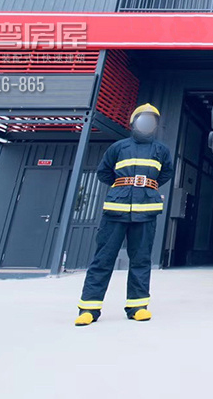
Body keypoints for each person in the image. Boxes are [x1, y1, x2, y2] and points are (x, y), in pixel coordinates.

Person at [74, 103, 174, 326]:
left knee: (141, 260)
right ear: (133, 122)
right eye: (143, 119)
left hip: (146, 213)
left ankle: (138, 307)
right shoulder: (118, 147)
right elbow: (104, 173)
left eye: (151, 120)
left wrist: (146, 188)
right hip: (116, 211)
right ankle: (89, 308)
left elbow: (166, 173)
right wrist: (124, 186)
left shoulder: (161, 150)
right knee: (103, 259)